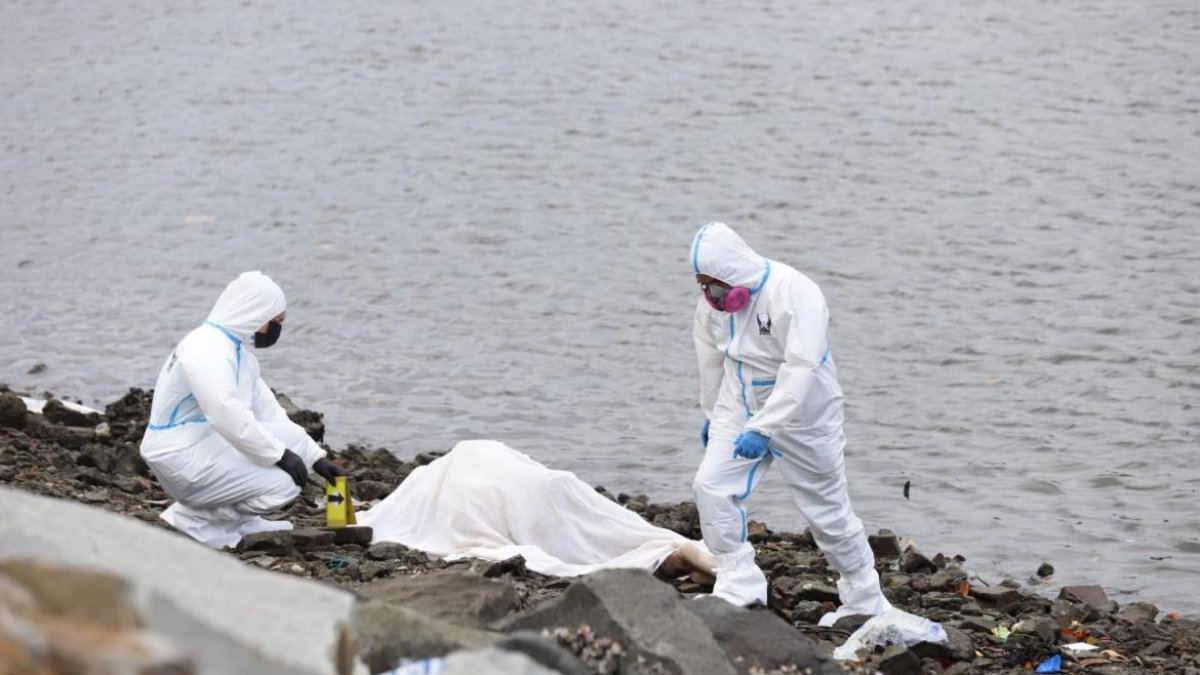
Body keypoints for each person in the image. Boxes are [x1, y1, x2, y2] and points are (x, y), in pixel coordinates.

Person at [688, 221, 890, 625]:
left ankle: (865, 595)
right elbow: (710, 358)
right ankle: (738, 583)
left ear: (735, 272)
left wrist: (767, 426)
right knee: (710, 487)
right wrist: (712, 412)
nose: (712, 295)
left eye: (717, 285)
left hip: (804, 414)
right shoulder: (711, 309)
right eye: (704, 285)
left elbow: (802, 366)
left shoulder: (795, 292)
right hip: (739, 403)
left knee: (826, 511)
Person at [139, 271, 343, 548]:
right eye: (275, 322)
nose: (276, 330)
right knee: (286, 483)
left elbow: (269, 412)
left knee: (288, 445)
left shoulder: (235, 352)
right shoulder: (207, 349)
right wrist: (280, 455)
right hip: (179, 455)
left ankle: (238, 522)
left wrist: (315, 457)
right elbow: (224, 411)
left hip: (201, 442)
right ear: (255, 313)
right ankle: (198, 519)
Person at [358, 439, 715, 582]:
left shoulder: (420, 490)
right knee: (602, 525)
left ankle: (673, 558)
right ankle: (681, 554)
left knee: (583, 544)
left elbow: (403, 519)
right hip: (543, 485)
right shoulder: (453, 465)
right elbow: (526, 465)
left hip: (502, 493)